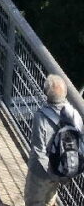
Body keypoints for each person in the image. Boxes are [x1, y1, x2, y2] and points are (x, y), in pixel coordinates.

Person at [25, 74, 84, 205]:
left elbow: (38, 150)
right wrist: (61, 175)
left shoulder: (40, 117)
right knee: (50, 198)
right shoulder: (75, 114)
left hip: (42, 171)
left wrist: (51, 173)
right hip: (62, 168)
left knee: (34, 200)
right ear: (65, 93)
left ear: (46, 93)